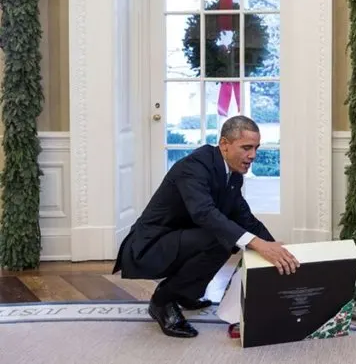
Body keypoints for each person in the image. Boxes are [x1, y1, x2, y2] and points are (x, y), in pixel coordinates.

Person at [112, 115, 299, 338]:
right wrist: (257, 244)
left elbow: (245, 218)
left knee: (226, 237)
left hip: (178, 239)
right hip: (149, 246)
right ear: (224, 144)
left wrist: (277, 251)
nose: (253, 155)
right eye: (246, 147)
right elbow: (204, 213)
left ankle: (184, 293)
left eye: (256, 148)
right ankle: (162, 301)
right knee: (220, 238)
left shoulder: (232, 175)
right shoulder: (194, 167)